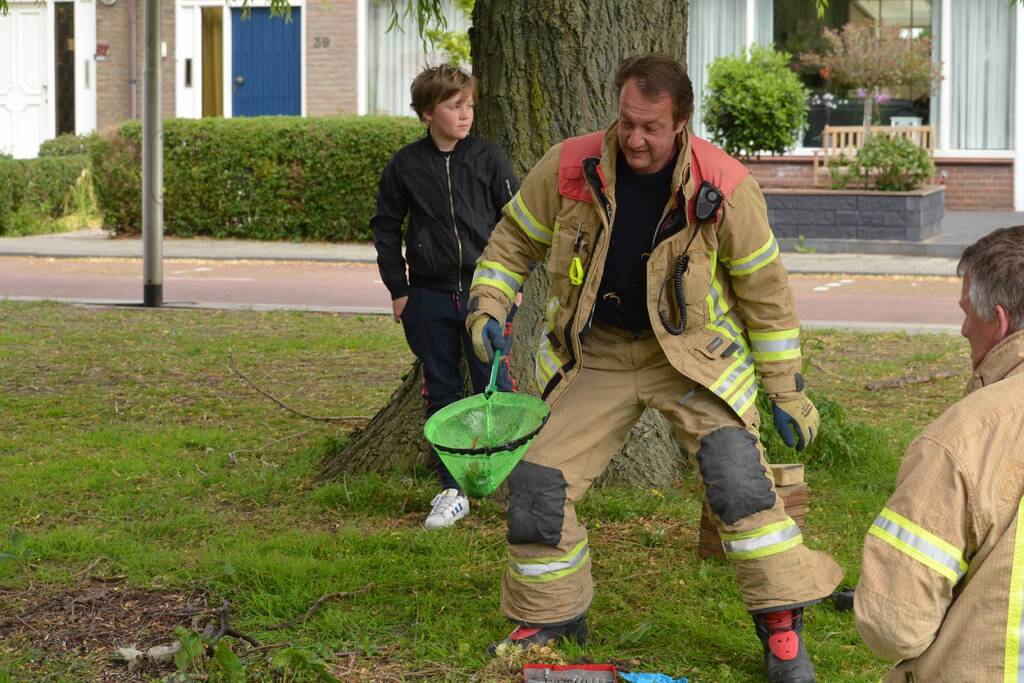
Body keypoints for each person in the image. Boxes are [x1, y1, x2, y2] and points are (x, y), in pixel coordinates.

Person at [465, 54, 842, 683]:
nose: (634, 140)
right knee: (536, 486)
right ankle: (553, 616)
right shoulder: (569, 166)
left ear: (682, 123)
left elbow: (767, 299)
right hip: (598, 354)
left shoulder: (725, 186)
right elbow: (511, 243)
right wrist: (488, 304)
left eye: (651, 128)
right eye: (626, 123)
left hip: (691, 359)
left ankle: (780, 625)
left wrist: (786, 391)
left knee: (738, 483)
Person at [854, 226, 1024, 681]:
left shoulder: (964, 438)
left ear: (1000, 321)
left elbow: (893, 625)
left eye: (967, 312)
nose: (963, 327)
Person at [371, 64, 519, 530]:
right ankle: (453, 489)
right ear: (426, 113)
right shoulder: (405, 166)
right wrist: (399, 290)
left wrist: (508, 285)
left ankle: (510, 481)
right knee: (443, 395)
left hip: (485, 297)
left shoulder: (490, 159)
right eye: (455, 107)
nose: (466, 114)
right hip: (429, 297)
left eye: (469, 105)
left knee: (493, 388)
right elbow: (386, 226)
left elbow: (514, 225)